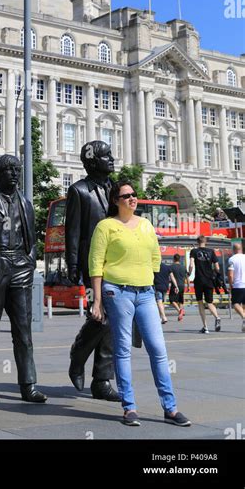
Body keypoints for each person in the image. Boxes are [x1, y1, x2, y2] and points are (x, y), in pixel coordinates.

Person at [89, 180, 191, 427]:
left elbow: (155, 258)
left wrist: (151, 283)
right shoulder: (106, 227)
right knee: (122, 349)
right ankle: (129, 407)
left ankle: (170, 407)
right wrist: (98, 300)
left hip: (145, 293)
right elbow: (96, 264)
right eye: (126, 196)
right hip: (117, 292)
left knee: (157, 348)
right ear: (116, 201)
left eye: (134, 195)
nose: (132, 199)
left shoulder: (146, 225)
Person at [0, 155, 47, 403]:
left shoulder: (25, 203)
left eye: (17, 169)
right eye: (8, 170)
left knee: (23, 330)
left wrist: (30, 260)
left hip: (21, 266)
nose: (14, 173)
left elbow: (32, 237)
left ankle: (28, 384)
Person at [65, 141, 120, 402]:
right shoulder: (79, 191)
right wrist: (73, 265)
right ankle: (79, 354)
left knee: (113, 319)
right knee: (100, 316)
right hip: (92, 264)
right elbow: (72, 232)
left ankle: (101, 380)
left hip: (118, 263)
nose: (112, 158)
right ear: (92, 160)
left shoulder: (117, 190)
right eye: (106, 156)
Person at [188, 235, 221, 334]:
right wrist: (217, 275)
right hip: (209, 280)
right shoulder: (211, 252)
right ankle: (217, 317)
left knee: (200, 302)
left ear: (197, 242)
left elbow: (191, 265)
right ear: (205, 242)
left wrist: (189, 273)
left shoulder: (194, 251)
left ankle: (205, 327)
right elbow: (217, 267)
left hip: (199, 280)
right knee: (209, 302)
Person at [227, 241, 245, 332]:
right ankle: (244, 324)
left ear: (233, 250)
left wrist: (230, 285)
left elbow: (230, 275)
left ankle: (244, 318)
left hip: (238, 285)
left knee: (235, 303)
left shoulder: (232, 259)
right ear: (241, 249)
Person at [169, 254, 188, 321]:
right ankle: (181, 314)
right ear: (179, 259)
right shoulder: (183, 267)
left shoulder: (171, 267)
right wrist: (188, 286)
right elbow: (187, 277)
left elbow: (171, 277)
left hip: (175, 285)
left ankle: (180, 311)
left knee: (172, 300)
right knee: (180, 300)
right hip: (182, 285)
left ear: (174, 259)